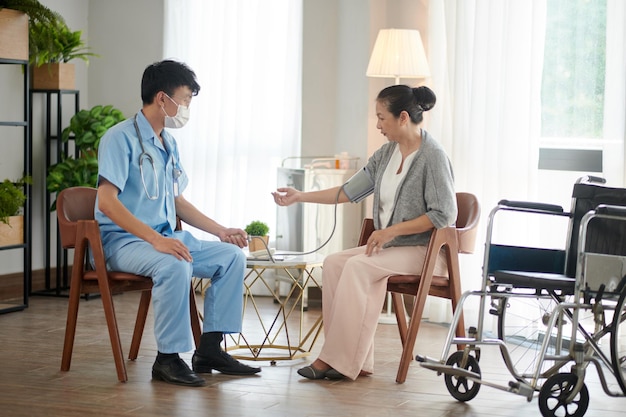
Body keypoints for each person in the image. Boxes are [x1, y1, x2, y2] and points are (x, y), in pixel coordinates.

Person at [272, 85, 456, 380]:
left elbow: (444, 214)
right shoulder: (386, 154)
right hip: (393, 251)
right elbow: (349, 191)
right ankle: (351, 359)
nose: (378, 125)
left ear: (403, 117)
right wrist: (300, 196)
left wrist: (391, 231)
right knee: (334, 263)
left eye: (382, 118)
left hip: (426, 252)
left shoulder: (432, 156)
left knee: (359, 266)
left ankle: (335, 360)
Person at [95, 60, 261, 387]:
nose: (186, 108)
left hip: (165, 237)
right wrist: (155, 241)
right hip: (123, 242)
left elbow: (178, 201)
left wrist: (220, 231)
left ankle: (210, 350)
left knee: (231, 257)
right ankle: (167, 359)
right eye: (184, 100)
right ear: (162, 98)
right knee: (174, 263)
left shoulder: (168, 143)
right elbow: (106, 201)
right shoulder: (119, 138)